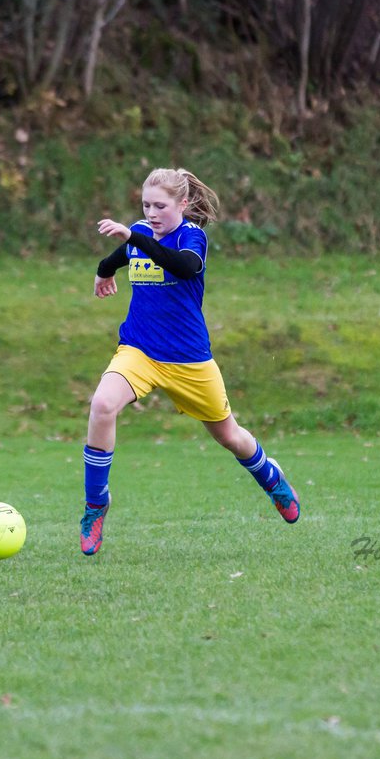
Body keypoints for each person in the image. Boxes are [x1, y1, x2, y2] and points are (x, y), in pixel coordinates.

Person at [79, 167, 300, 556]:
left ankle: (272, 479)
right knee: (101, 405)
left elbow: (184, 267)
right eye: (146, 205)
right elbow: (120, 255)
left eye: (160, 205)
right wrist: (103, 271)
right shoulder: (140, 233)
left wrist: (134, 237)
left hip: (189, 360)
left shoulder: (192, 238)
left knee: (229, 436)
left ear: (182, 204)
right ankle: (96, 506)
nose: (151, 213)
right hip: (139, 352)